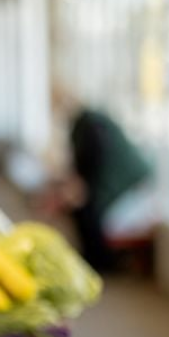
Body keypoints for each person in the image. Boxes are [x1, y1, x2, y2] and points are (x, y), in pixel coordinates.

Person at [46, 82, 154, 271]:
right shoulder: (80, 126)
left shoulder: (90, 123)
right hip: (105, 179)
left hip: (126, 179)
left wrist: (78, 190)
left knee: (88, 209)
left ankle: (102, 262)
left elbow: (95, 161)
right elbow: (79, 165)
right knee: (80, 207)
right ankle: (93, 258)